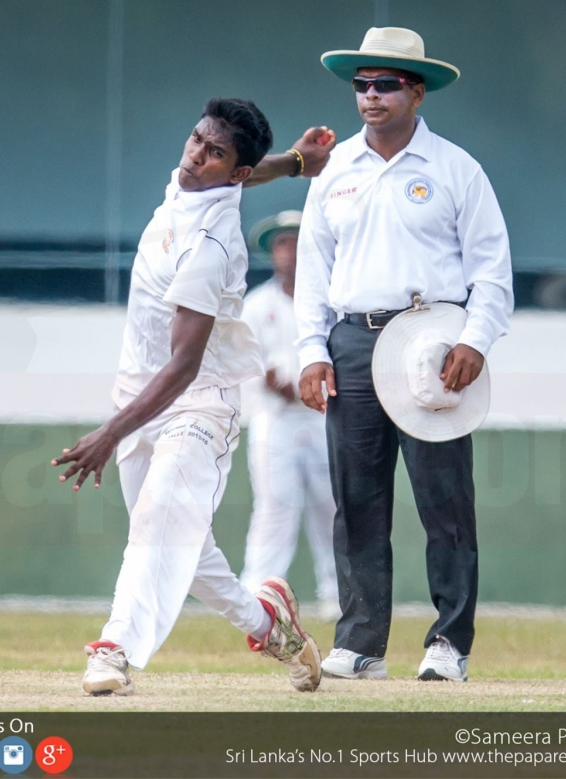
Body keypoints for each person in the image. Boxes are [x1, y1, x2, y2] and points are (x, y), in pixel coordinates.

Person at [53, 99, 334, 696]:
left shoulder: (211, 244)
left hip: (197, 401)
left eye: (214, 153)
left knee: (158, 519)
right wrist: (295, 162)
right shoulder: (193, 183)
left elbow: (183, 367)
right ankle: (271, 626)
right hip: (139, 396)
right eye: (197, 140)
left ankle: (113, 650)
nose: (195, 157)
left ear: (233, 170)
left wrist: (109, 434)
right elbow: (242, 173)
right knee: (184, 547)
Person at [288, 27, 512, 682]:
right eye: (362, 84)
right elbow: (313, 270)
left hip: (432, 339)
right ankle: (360, 643)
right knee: (356, 500)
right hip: (353, 338)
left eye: (386, 84)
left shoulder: (455, 169)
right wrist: (311, 349)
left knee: (445, 501)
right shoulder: (334, 171)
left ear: (417, 92)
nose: (371, 96)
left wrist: (475, 339)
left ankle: (449, 644)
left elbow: (492, 269)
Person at [237, 210, 340, 622]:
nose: (289, 251)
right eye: (282, 243)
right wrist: (268, 382)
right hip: (275, 418)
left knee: (332, 506)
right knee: (275, 505)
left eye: (296, 242)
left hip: (324, 416)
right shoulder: (256, 304)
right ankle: (257, 595)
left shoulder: (330, 300)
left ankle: (338, 595)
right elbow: (242, 359)